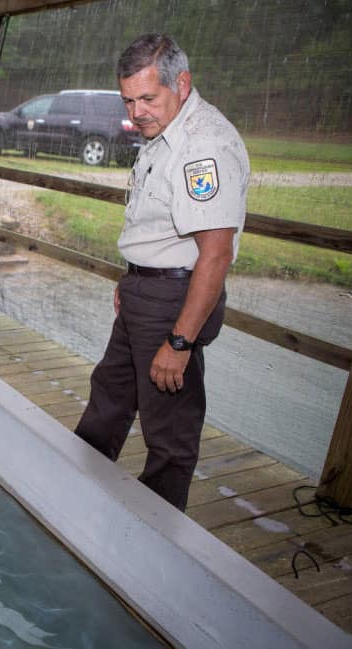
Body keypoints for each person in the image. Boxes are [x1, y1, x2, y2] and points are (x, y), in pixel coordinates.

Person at [74, 33, 249, 511]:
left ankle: (155, 543)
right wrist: (132, 277)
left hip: (175, 303)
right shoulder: (161, 132)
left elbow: (215, 255)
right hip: (144, 291)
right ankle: (72, 498)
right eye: (129, 100)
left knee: (168, 432)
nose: (136, 112)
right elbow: (155, 225)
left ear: (183, 83)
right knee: (108, 399)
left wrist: (179, 342)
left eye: (148, 98)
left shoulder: (202, 146)